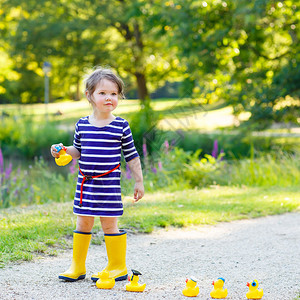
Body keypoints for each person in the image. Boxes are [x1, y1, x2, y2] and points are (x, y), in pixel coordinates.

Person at [50, 67, 144, 282]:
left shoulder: (121, 125)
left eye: (114, 93)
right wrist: (62, 150)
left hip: (109, 186)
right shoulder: (82, 124)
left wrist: (139, 181)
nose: (109, 97)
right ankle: (77, 266)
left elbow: (132, 156)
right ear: (89, 95)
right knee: (83, 223)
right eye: (102, 93)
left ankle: (118, 266)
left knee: (109, 224)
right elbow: (77, 151)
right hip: (86, 185)